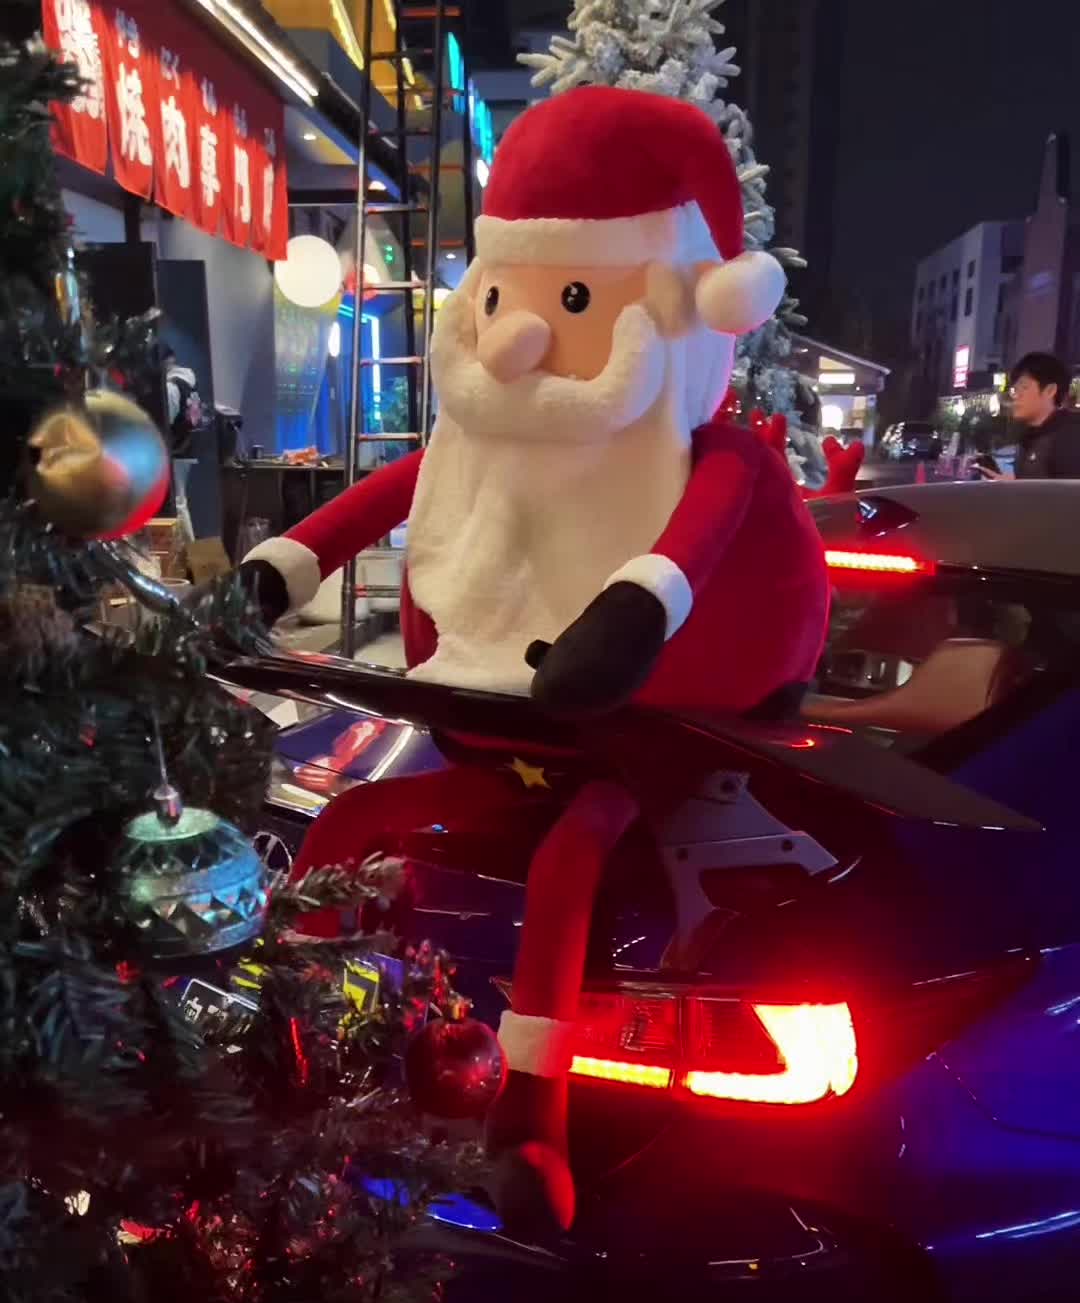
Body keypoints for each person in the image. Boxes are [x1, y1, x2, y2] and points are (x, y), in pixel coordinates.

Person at [242, 88, 855, 1232]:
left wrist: (621, 629)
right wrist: (281, 568)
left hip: (630, 749)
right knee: (353, 820)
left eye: (573, 300)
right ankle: (288, 1047)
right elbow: (382, 501)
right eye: (502, 299)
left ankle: (531, 1121)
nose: (520, 340)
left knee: (572, 859)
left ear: (687, 306)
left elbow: (684, 557)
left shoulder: (711, 458)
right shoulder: (484, 448)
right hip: (504, 733)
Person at [984, 351, 1080, 479]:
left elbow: (1069, 491)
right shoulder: (1028, 439)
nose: (1015, 396)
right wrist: (1013, 486)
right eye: (1014, 390)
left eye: (1024, 387)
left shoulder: (1070, 436)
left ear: (1050, 390)